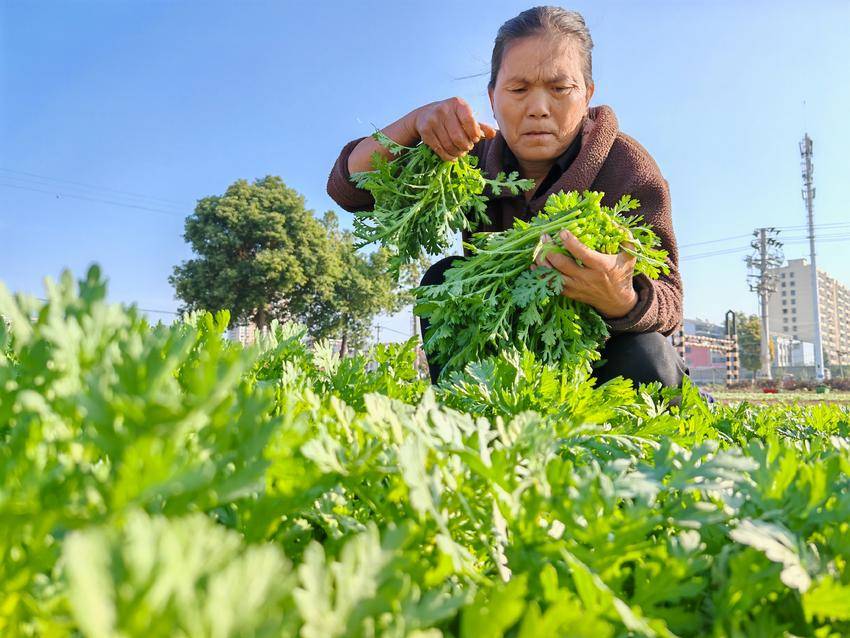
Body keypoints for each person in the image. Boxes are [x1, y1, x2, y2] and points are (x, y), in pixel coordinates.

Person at [326, 6, 687, 388]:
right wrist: (414, 123)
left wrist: (621, 300)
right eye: (517, 90)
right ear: (492, 98)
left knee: (650, 358)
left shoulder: (628, 167)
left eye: (560, 88)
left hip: (597, 356)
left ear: (587, 95)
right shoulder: (465, 158)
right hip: (498, 351)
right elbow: (349, 187)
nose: (537, 109)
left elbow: (670, 300)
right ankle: (470, 416)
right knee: (442, 280)